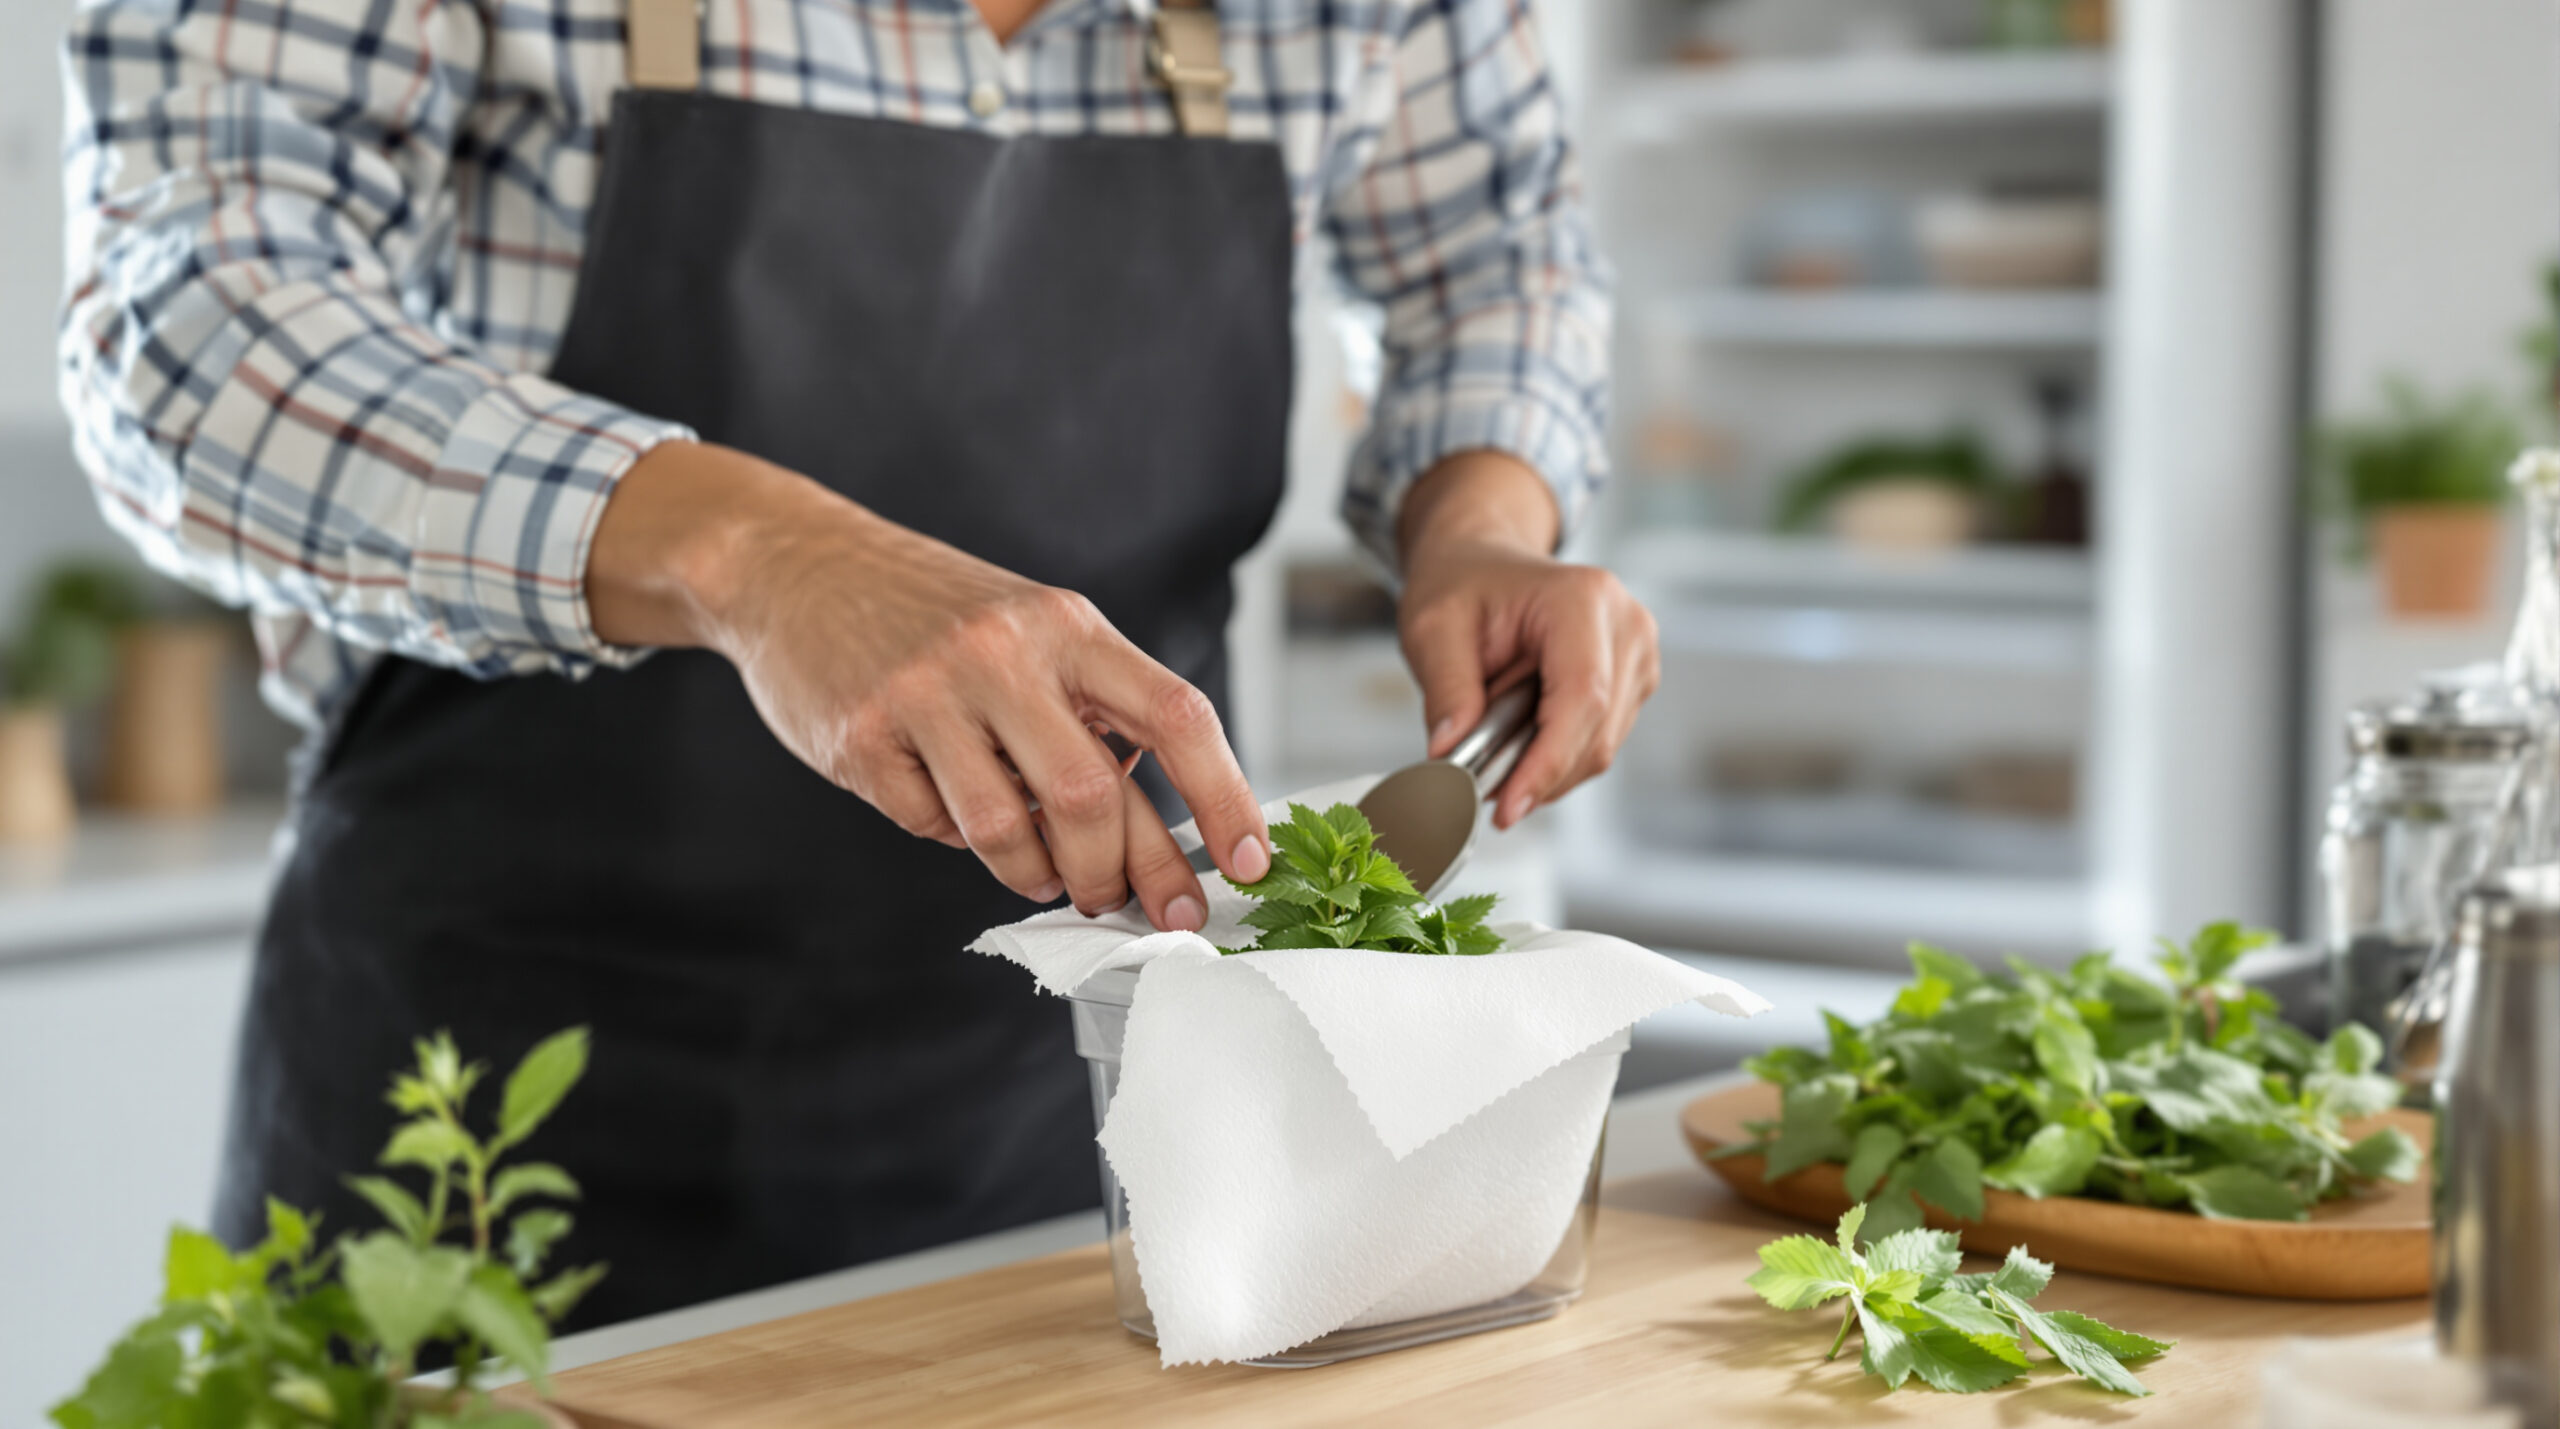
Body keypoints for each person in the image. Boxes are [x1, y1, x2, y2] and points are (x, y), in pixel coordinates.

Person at [60, 0, 1654, 1326]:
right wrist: (756, 554)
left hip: (1090, 1139)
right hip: (468, 1137)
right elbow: (184, 322)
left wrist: (1482, 519)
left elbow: (1497, 264)